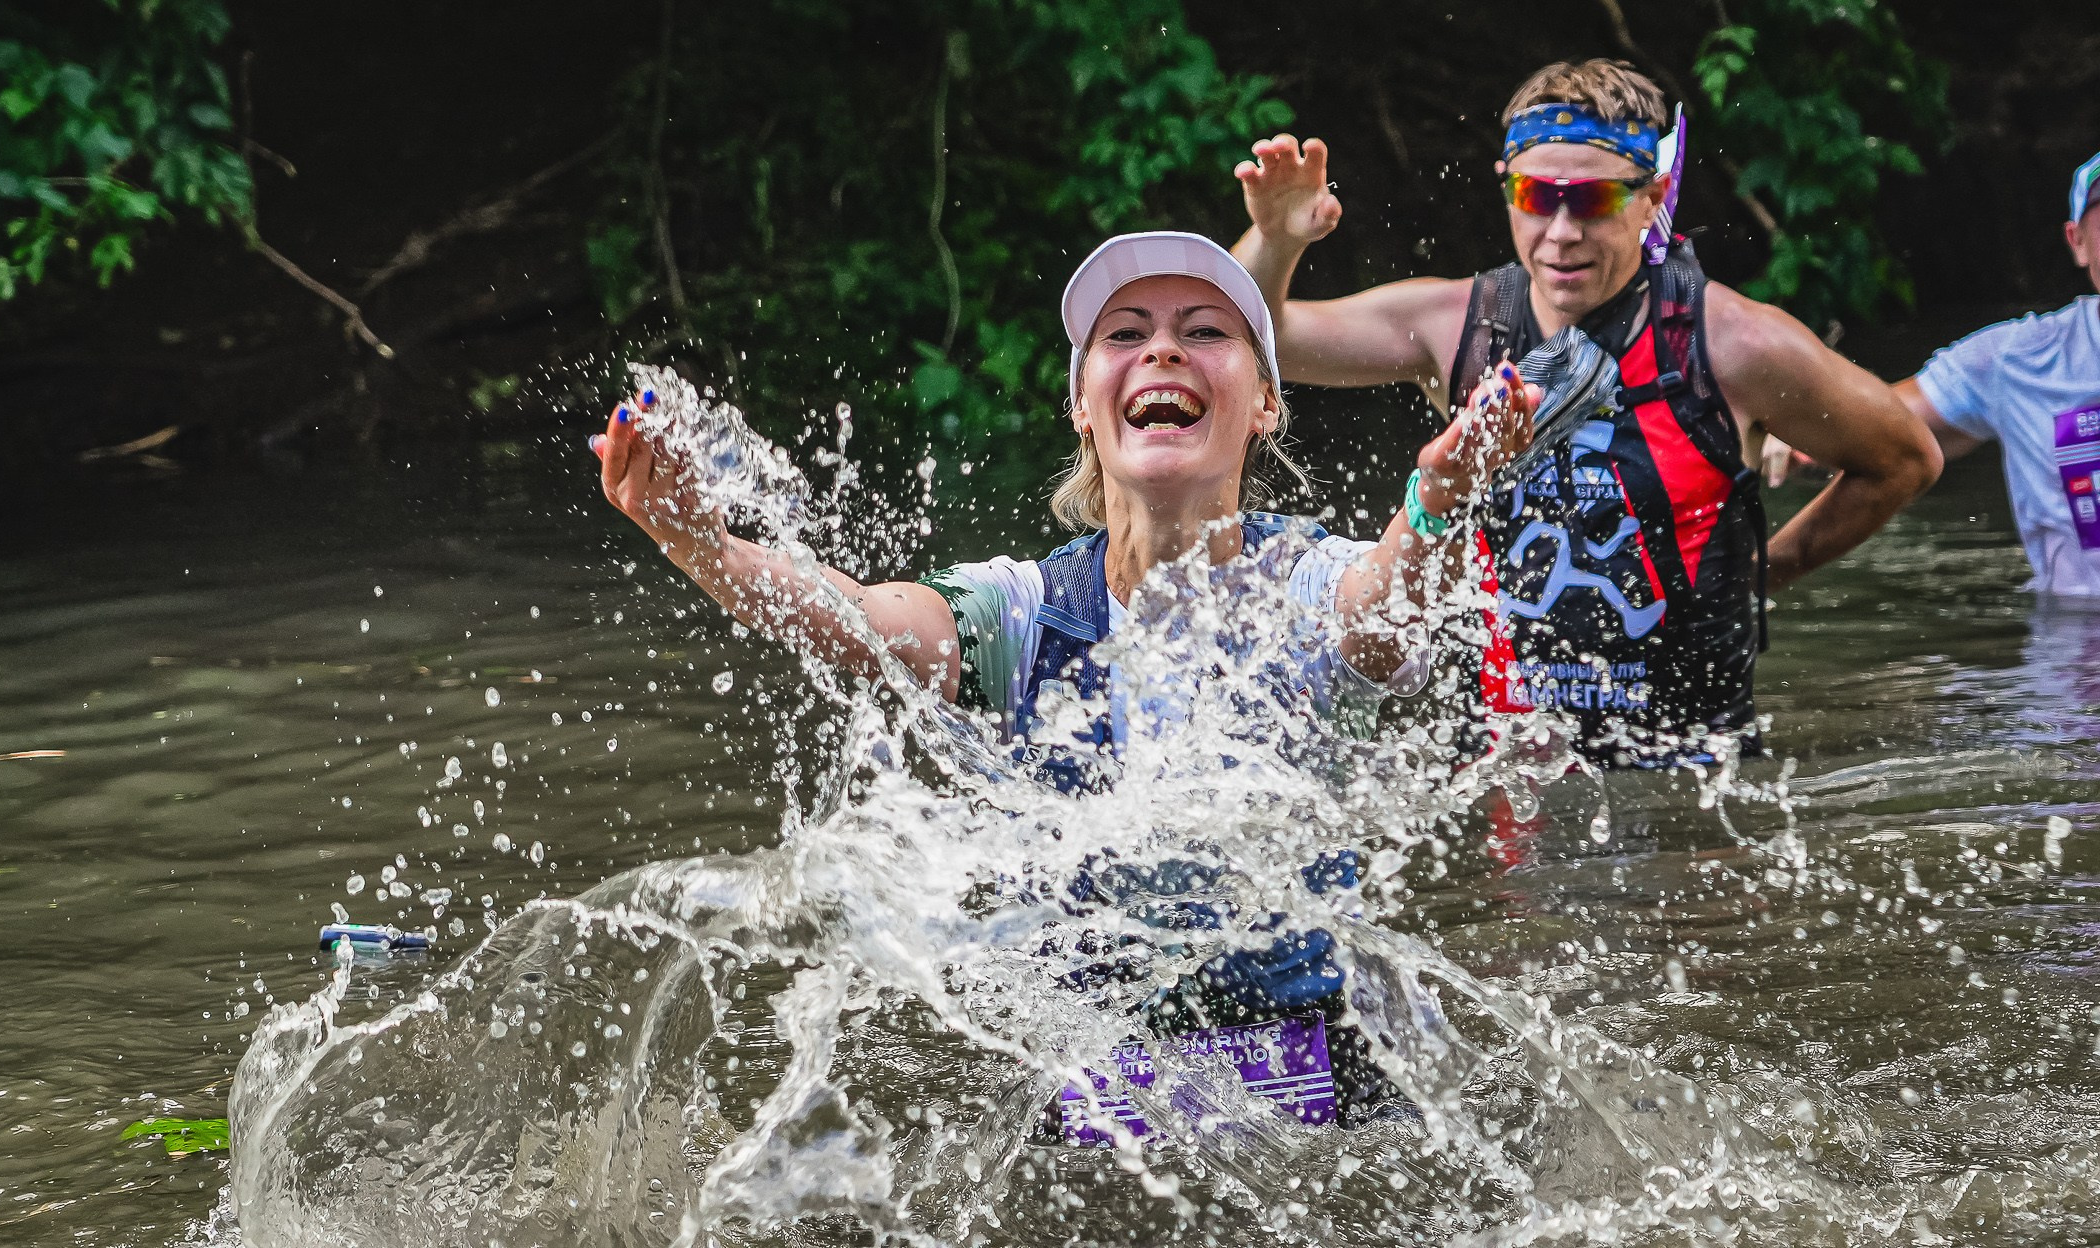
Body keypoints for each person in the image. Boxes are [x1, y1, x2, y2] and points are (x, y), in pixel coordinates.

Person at [596, 229, 1541, 1127]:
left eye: (1204, 333)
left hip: (1330, 1094)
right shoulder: (1022, 612)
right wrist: (705, 545)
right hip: (1099, 1090)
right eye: (1125, 336)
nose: (1162, 352)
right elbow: (860, 620)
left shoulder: (1308, 585)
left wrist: (1436, 505)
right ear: (1086, 406)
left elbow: (1380, 615)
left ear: (1263, 404)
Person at [1229, 59, 1942, 766]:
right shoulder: (1458, 326)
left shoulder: (1736, 344)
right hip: (1518, 783)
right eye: (1537, 196)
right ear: (1507, 189)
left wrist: (1763, 571)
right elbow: (1266, 341)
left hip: (1692, 791)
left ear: (1652, 196)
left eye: (1594, 200)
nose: (1561, 231)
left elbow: (1905, 460)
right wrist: (1277, 239)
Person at [1766, 149, 2100, 598]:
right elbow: (1876, 428)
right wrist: (1791, 426)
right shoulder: (2017, 362)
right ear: (2077, 240)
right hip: (2075, 648)